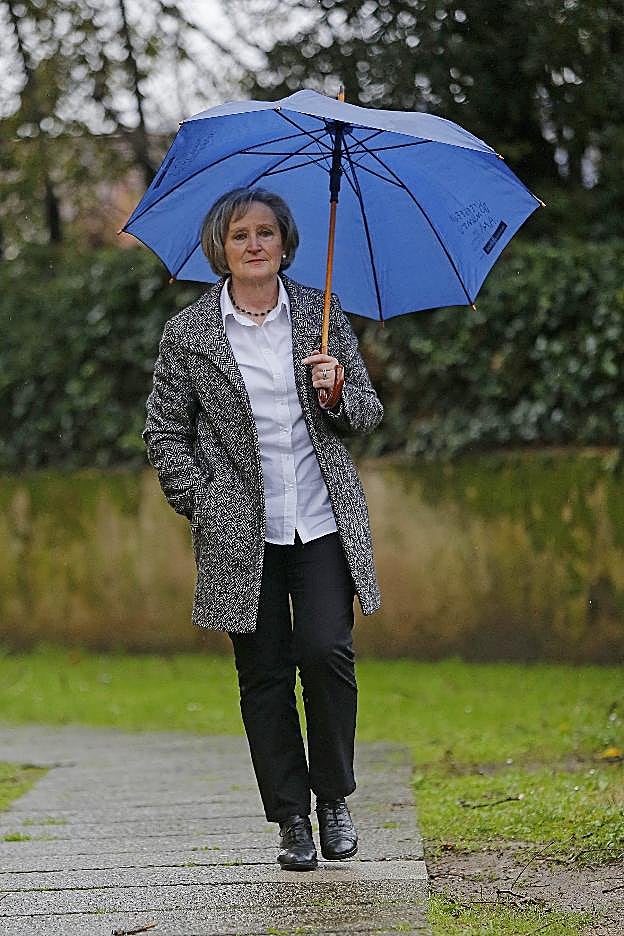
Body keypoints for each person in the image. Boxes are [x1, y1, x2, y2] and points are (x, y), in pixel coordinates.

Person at [143, 187, 383, 872]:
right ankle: (292, 821)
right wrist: (203, 498)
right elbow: (164, 430)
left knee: (328, 654)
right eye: (240, 234)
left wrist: (337, 391)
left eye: (266, 233)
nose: (254, 245)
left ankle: (334, 797)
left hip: (319, 520)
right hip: (240, 532)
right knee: (264, 676)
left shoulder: (320, 315)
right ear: (220, 246)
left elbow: (366, 412)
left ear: (286, 243)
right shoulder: (188, 334)